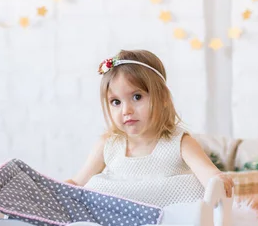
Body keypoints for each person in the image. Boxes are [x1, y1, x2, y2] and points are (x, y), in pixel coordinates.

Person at [65, 49, 233, 207]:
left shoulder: (180, 143)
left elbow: (209, 175)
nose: (126, 110)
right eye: (116, 102)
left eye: (137, 97)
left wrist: (217, 179)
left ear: (163, 98)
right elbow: (78, 183)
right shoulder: (108, 144)